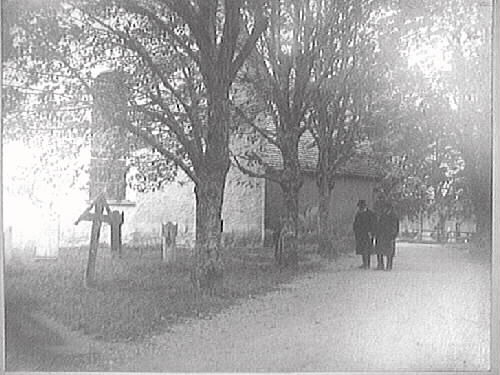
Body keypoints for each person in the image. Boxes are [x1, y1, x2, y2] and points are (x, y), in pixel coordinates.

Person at [374, 201, 399, 271]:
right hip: (382, 235)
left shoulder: (394, 216)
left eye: (385, 208)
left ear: (389, 208)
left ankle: (389, 266)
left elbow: (395, 227)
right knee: (379, 250)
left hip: (389, 235)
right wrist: (377, 233)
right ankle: (380, 265)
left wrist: (393, 235)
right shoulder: (383, 215)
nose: (384, 209)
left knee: (389, 252)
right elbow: (380, 224)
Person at [353, 200, 376, 269]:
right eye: (359, 207)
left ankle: (367, 264)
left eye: (361, 206)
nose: (360, 208)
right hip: (360, 234)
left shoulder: (370, 214)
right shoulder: (358, 214)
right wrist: (355, 231)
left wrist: (372, 232)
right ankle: (364, 263)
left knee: (367, 248)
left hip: (368, 234)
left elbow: (373, 224)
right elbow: (355, 224)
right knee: (362, 249)